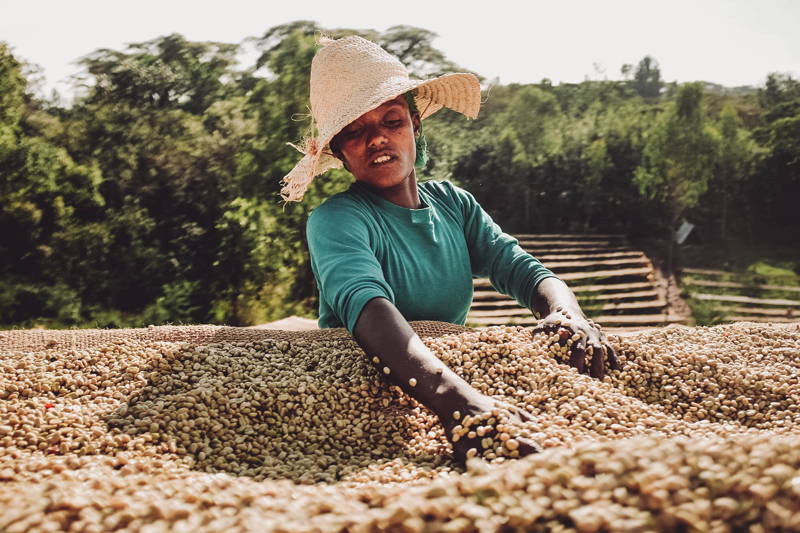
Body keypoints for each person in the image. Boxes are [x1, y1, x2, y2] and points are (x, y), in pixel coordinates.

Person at [280, 35, 619, 464]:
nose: (378, 139)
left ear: (415, 126)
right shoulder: (337, 220)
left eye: (392, 121)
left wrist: (567, 314)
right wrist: (462, 408)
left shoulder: (453, 204)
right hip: (367, 381)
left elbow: (520, 268)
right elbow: (369, 309)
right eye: (355, 132)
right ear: (341, 154)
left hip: (449, 373)